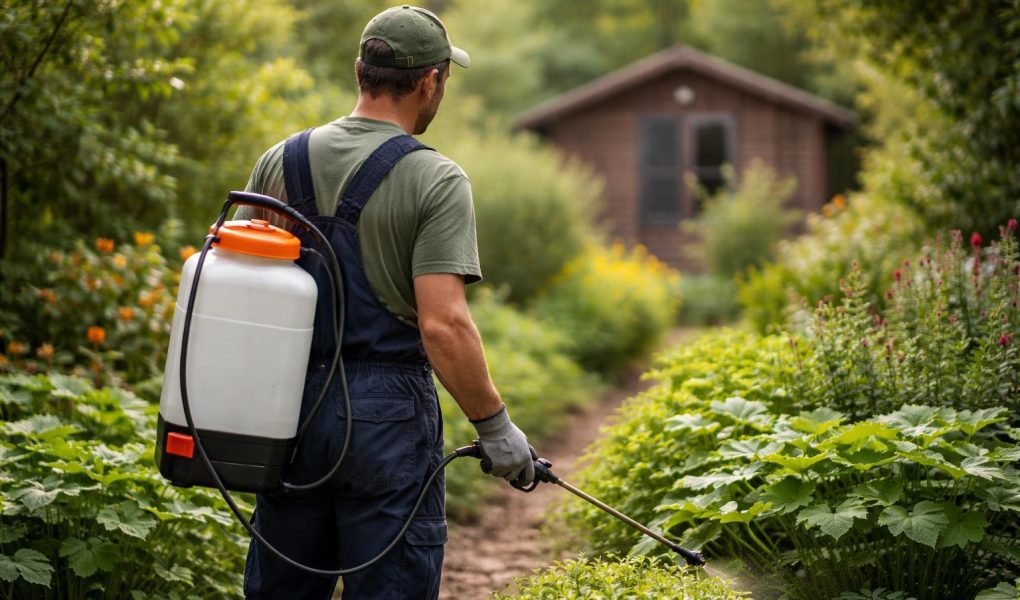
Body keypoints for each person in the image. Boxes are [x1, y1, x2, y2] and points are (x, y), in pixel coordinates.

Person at [235, 5, 535, 599]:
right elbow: (444, 326)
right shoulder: (436, 180)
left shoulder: (279, 160)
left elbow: (238, 285)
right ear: (431, 81)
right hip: (387, 415)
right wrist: (496, 429)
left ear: (359, 71)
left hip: (287, 406)